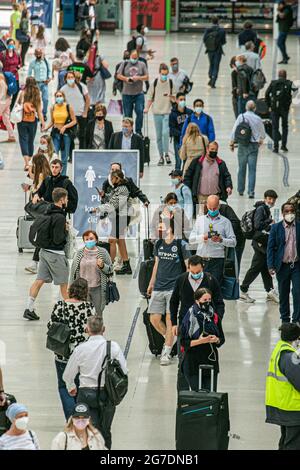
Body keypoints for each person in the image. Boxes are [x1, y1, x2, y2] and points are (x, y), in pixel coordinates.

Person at [63, 315, 128, 450]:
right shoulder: (113, 347)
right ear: (103, 329)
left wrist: (71, 387)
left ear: (87, 329)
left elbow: (67, 374)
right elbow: (124, 370)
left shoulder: (80, 349)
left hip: (85, 395)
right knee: (105, 430)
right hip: (107, 394)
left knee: (86, 431)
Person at [170, 255, 224, 390]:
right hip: (186, 326)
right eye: (192, 272)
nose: (195, 275)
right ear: (188, 268)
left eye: (198, 272)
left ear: (203, 268)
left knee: (207, 359)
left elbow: (219, 302)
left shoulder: (211, 280)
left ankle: (207, 396)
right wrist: (174, 323)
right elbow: (174, 301)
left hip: (206, 324)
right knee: (182, 362)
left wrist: (216, 319)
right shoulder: (181, 280)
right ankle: (183, 399)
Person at [47, 278, 96, 419]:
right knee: (81, 385)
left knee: (64, 385)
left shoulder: (60, 305)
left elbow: (51, 325)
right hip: (82, 354)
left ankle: (71, 417)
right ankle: (81, 413)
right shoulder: (89, 307)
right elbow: (92, 328)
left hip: (63, 352)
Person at [147, 217, 190, 366]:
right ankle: (171, 339)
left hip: (174, 288)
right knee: (154, 319)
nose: (159, 230)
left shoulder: (181, 245)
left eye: (161, 227)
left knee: (170, 319)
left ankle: (167, 352)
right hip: (159, 286)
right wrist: (151, 283)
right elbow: (156, 265)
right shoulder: (158, 244)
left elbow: (188, 267)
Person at [23, 188, 70, 321]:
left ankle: (29, 308)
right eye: (66, 198)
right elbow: (58, 239)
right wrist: (65, 231)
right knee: (64, 284)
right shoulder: (60, 217)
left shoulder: (46, 211)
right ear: (61, 199)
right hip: (56, 255)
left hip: (43, 252)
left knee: (39, 280)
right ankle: (68, 313)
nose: (67, 200)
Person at [181, 288, 225, 392]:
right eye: (204, 300)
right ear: (197, 301)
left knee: (211, 395)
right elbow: (183, 342)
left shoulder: (214, 316)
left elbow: (222, 339)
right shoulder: (189, 317)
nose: (207, 302)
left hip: (210, 360)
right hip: (193, 362)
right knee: (198, 395)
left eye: (209, 300)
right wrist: (201, 341)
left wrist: (216, 340)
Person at [240, 190, 279, 304]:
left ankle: (270, 291)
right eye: (269, 199)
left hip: (261, 242)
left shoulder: (265, 209)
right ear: (265, 198)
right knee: (256, 268)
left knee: (264, 268)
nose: (271, 201)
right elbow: (258, 225)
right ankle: (243, 290)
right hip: (259, 243)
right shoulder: (261, 209)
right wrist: (270, 221)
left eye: (273, 199)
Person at [265, 322, 300, 450]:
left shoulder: (279, 350)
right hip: (293, 408)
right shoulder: (290, 356)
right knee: (294, 444)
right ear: (297, 338)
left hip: (282, 405)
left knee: (286, 442)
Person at [189, 195, 236, 285]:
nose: (212, 210)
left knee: (215, 286)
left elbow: (233, 242)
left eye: (215, 208)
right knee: (199, 287)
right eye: (210, 208)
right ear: (206, 205)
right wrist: (203, 237)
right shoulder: (200, 220)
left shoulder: (225, 222)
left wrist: (221, 240)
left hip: (217, 260)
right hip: (201, 259)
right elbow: (191, 240)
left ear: (219, 206)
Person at [267, 203, 300, 324]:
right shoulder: (276, 228)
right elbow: (270, 248)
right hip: (282, 266)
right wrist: (270, 266)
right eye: (287, 211)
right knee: (283, 294)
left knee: (298, 292)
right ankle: (285, 321)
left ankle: (297, 320)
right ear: (283, 213)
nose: (289, 214)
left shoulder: (299, 226)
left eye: (292, 211)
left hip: (297, 265)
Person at [95, 169, 132, 275]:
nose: (110, 180)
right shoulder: (117, 188)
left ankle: (109, 267)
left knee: (112, 240)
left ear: (118, 178)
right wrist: (103, 196)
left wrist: (98, 209)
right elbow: (110, 199)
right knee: (120, 240)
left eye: (112, 178)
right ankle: (126, 265)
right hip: (118, 216)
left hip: (122, 217)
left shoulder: (123, 189)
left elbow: (113, 205)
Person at [70, 231, 113, 316]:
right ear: (84, 241)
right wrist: (70, 287)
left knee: (98, 314)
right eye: (86, 239)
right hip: (82, 289)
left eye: (91, 239)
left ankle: (98, 329)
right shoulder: (79, 253)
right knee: (84, 314)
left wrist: (102, 266)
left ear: (96, 240)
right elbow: (73, 272)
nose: (89, 241)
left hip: (98, 289)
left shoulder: (103, 252)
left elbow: (111, 270)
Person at [230, 100, 265, 198]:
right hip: (253, 146)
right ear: (255, 108)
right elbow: (263, 133)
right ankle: (251, 191)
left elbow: (234, 130)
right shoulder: (258, 118)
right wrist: (261, 139)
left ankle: (241, 190)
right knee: (252, 169)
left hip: (242, 145)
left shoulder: (241, 117)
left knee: (241, 168)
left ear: (246, 107)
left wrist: (232, 142)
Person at [184, 141, 233, 212]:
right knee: (200, 220)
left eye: (216, 150)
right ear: (207, 149)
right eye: (212, 149)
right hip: (201, 198)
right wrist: (188, 191)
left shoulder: (221, 164)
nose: (214, 151)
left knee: (216, 220)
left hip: (216, 198)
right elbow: (188, 176)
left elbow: (227, 176)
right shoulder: (197, 162)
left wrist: (228, 186)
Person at [145, 63, 175, 165]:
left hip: (167, 112)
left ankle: (167, 153)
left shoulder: (171, 83)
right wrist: (147, 108)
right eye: (163, 74)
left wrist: (171, 96)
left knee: (165, 133)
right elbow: (150, 96)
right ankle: (161, 156)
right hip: (157, 112)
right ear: (159, 72)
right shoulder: (155, 82)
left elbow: (175, 98)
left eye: (166, 74)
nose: (164, 76)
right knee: (158, 135)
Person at [116, 49, 148, 136]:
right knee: (127, 115)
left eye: (135, 57)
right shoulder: (125, 63)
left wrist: (138, 78)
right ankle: (128, 131)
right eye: (132, 57)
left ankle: (138, 131)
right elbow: (118, 75)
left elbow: (147, 77)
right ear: (130, 56)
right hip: (127, 94)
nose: (134, 59)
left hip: (138, 93)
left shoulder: (142, 64)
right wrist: (126, 79)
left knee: (139, 111)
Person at [45, 90, 77, 175]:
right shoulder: (53, 107)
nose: (59, 97)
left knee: (64, 157)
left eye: (60, 96)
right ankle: (54, 174)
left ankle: (62, 176)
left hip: (65, 134)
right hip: (55, 134)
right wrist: (46, 128)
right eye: (57, 96)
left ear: (63, 97)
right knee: (54, 155)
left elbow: (74, 121)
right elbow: (52, 121)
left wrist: (65, 126)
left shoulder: (68, 107)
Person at [16, 77, 45, 170]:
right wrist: (43, 123)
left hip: (22, 120)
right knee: (30, 141)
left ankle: (26, 163)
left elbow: (17, 105)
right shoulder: (38, 94)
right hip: (33, 120)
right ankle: (30, 161)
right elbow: (40, 110)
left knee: (23, 140)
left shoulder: (22, 93)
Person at [265, 69, 295, 153]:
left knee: (275, 127)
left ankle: (275, 147)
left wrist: (269, 105)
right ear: (286, 75)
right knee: (285, 127)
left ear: (278, 75)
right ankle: (284, 146)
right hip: (285, 108)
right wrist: (290, 101)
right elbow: (296, 92)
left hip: (275, 108)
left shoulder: (273, 83)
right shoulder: (289, 83)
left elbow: (267, 93)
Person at [61, 70, 90, 149]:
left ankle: (82, 152)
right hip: (70, 116)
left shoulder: (82, 86)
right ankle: (71, 154)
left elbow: (87, 99)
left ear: (74, 78)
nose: (70, 79)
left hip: (81, 114)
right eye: (68, 77)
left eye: (72, 77)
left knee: (82, 135)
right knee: (71, 135)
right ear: (65, 79)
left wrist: (85, 112)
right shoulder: (63, 89)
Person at [169, 92, 193, 171]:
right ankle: (177, 176)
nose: (183, 101)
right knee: (178, 160)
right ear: (176, 100)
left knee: (187, 160)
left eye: (184, 99)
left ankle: (185, 177)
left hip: (189, 140)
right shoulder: (172, 114)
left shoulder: (189, 112)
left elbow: (193, 125)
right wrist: (182, 135)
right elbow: (172, 129)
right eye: (181, 99)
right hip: (178, 140)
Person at [27, 48, 51, 121]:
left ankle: (44, 114)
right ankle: (37, 114)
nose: (38, 55)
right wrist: (31, 81)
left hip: (44, 83)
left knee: (45, 99)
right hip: (36, 83)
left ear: (42, 54)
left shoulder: (46, 62)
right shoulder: (32, 63)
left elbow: (49, 71)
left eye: (39, 53)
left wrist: (49, 78)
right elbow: (29, 74)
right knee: (36, 100)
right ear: (34, 54)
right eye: (37, 54)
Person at [203, 17, 226, 89]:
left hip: (210, 50)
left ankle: (210, 76)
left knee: (211, 64)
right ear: (218, 22)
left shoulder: (208, 30)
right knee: (216, 65)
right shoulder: (222, 30)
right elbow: (224, 41)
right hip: (218, 50)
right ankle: (213, 80)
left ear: (211, 22)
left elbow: (204, 39)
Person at [0, 38, 22, 108]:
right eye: (9, 44)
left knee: (16, 92)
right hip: (6, 77)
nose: (11, 46)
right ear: (7, 44)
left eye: (12, 44)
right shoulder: (3, 54)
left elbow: (20, 63)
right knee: (6, 93)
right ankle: (4, 109)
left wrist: (18, 67)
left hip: (15, 77)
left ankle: (10, 108)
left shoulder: (17, 54)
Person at [0, 66, 15, 142]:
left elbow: (2, 92)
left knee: (6, 119)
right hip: (8, 99)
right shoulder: (4, 76)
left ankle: (11, 136)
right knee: (6, 119)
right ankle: (11, 136)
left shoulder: (1, 78)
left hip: (2, 101)